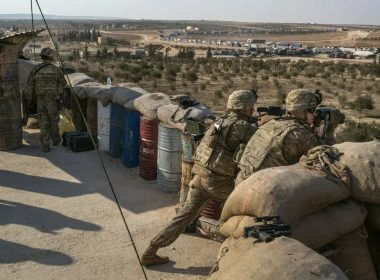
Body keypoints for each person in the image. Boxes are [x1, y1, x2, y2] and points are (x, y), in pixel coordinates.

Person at [141, 89, 258, 266]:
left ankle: (151, 250)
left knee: (182, 218)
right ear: (247, 108)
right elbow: (258, 143)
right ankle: (238, 255)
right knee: (249, 209)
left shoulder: (220, 122)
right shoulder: (243, 126)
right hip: (218, 182)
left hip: (199, 177)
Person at [236, 88, 328, 185]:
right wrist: (330, 127)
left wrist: (313, 126)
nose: (314, 114)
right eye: (312, 110)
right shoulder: (300, 133)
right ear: (301, 111)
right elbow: (326, 158)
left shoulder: (271, 123)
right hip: (263, 189)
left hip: (241, 184)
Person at [28, 47, 66, 152]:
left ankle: (46, 144)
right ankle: (56, 140)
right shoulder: (55, 69)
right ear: (51, 57)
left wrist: (30, 100)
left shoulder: (35, 69)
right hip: (53, 99)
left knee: (43, 120)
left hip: (40, 99)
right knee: (53, 120)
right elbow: (64, 83)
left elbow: (29, 85)